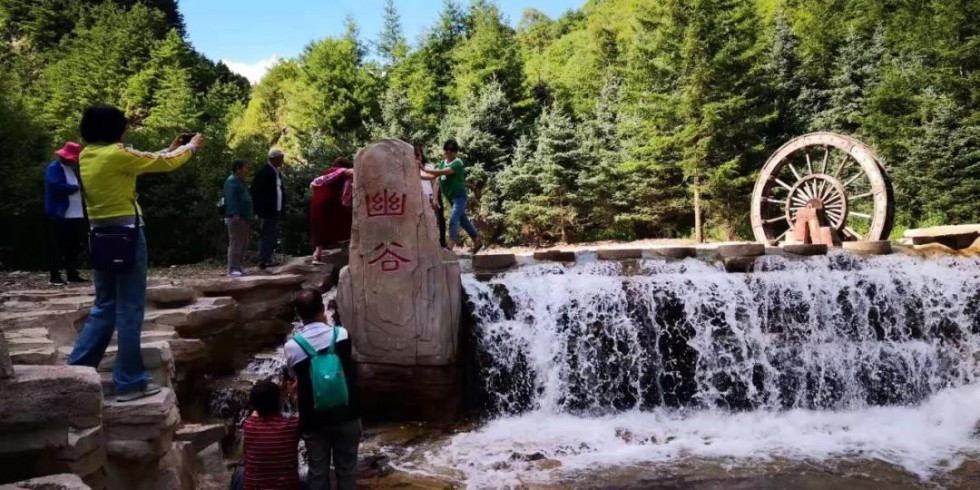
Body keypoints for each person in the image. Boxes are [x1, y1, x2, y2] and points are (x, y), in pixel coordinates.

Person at [67, 105, 203, 402]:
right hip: (127, 234)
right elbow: (162, 164)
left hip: (99, 235)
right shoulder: (117, 154)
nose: (125, 130)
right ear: (113, 129)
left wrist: (169, 147)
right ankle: (130, 381)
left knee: (104, 306)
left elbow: (141, 160)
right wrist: (190, 148)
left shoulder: (86, 155)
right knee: (130, 308)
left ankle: (76, 373)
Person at [284, 289, 360, 490]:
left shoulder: (293, 346)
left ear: (299, 315)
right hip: (347, 413)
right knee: (347, 470)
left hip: (314, 419)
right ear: (322, 309)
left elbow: (293, 377)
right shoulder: (342, 335)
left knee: (317, 473)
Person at [239, 380, 301, 490]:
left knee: (239, 473)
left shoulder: (248, 425)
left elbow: (255, 413)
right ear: (278, 402)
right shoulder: (291, 425)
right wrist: (294, 395)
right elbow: (301, 414)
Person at [424, 139, 482, 254]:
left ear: (455, 152)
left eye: (451, 151)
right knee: (464, 221)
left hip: (460, 197)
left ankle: (451, 244)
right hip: (451, 199)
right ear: (444, 151)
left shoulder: (457, 163)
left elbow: (441, 173)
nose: (449, 153)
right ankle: (477, 241)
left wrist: (422, 168)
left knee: (454, 218)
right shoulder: (441, 163)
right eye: (447, 150)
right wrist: (419, 175)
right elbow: (433, 178)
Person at [44, 141, 88, 285]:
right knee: (58, 245)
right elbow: (55, 185)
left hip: (77, 212)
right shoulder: (54, 167)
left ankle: (72, 273)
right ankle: (55, 275)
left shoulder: (74, 169)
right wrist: (75, 188)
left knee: (75, 245)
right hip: (60, 212)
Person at [309, 157, 354, 263]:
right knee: (347, 220)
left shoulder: (326, 173)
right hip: (329, 202)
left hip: (316, 203)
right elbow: (350, 172)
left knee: (319, 229)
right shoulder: (338, 171)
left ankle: (317, 255)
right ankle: (349, 245)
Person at [252, 148, 287, 269]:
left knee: (273, 234)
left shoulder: (277, 172)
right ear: (273, 159)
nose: (282, 160)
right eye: (281, 158)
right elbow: (256, 191)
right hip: (267, 211)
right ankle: (264, 259)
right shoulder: (264, 172)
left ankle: (268, 257)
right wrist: (259, 209)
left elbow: (280, 190)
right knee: (266, 234)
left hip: (275, 209)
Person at [223, 160, 254, 277]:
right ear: (238, 169)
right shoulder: (232, 181)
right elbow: (231, 199)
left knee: (243, 243)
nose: (247, 171)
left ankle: (239, 266)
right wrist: (234, 213)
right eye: (245, 168)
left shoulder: (241, 182)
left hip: (244, 217)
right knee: (236, 243)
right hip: (236, 217)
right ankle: (233, 268)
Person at [416, 145, 447, 249]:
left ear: (421, 154)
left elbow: (435, 182)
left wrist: (435, 198)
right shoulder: (407, 168)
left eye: (418, 155)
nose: (416, 158)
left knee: (436, 222)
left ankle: (441, 244)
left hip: (429, 197)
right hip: (417, 200)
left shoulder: (428, 167)